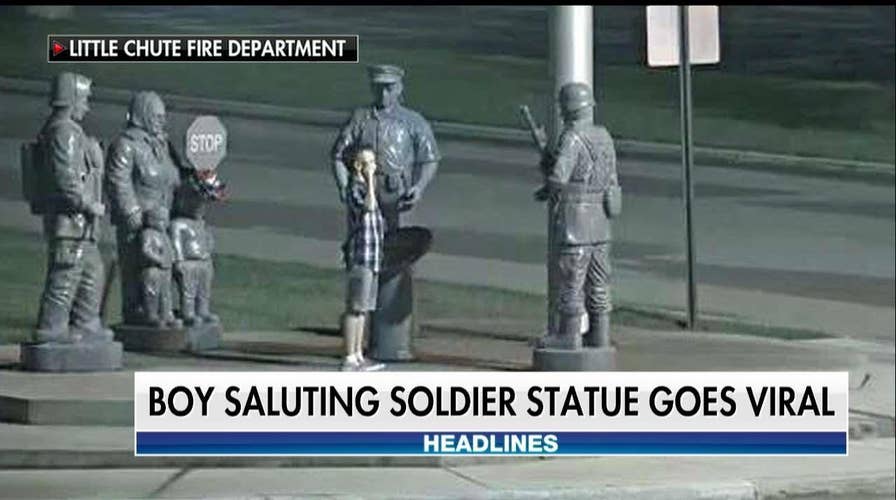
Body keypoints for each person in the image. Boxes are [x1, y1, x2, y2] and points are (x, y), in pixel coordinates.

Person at [535, 82, 621, 350]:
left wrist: (545, 190)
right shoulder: (604, 136)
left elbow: (559, 178)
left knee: (571, 280)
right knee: (599, 281)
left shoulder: (571, 137)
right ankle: (599, 335)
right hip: (601, 221)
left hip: (576, 221)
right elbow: (610, 178)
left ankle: (569, 336)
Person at [31, 72, 113, 343]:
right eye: (84, 100)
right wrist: (87, 204)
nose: (87, 106)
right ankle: (52, 329)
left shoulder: (64, 130)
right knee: (66, 277)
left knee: (92, 272)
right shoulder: (64, 132)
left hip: (78, 224)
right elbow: (66, 178)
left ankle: (86, 322)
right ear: (72, 99)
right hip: (71, 222)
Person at [330, 64, 440, 233]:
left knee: (398, 242)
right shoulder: (360, 118)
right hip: (363, 189)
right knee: (362, 240)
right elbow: (339, 155)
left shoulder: (413, 121)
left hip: (397, 192)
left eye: (389, 88)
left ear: (399, 89)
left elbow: (430, 158)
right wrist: (344, 187)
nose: (383, 94)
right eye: (378, 88)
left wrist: (419, 187)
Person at [106, 91, 183, 327]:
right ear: (143, 115)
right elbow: (117, 179)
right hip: (137, 221)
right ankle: (136, 312)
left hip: (162, 218)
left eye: (163, 116)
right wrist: (131, 212)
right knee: (135, 269)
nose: (162, 120)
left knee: (162, 269)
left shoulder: (162, 145)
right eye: (157, 116)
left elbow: (174, 177)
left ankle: (162, 311)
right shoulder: (126, 145)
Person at [339, 148, 386, 372]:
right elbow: (368, 207)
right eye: (369, 163)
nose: (374, 167)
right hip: (360, 256)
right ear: (358, 165)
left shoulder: (371, 189)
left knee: (364, 308)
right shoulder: (355, 188)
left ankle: (358, 354)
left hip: (372, 256)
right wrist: (368, 181)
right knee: (355, 307)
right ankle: (349, 356)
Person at [170, 168, 225, 326]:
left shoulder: (200, 224)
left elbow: (207, 240)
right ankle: (188, 312)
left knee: (203, 291)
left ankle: (203, 310)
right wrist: (179, 260)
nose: (200, 209)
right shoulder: (178, 225)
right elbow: (176, 243)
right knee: (188, 290)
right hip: (188, 263)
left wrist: (208, 252)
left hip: (203, 261)